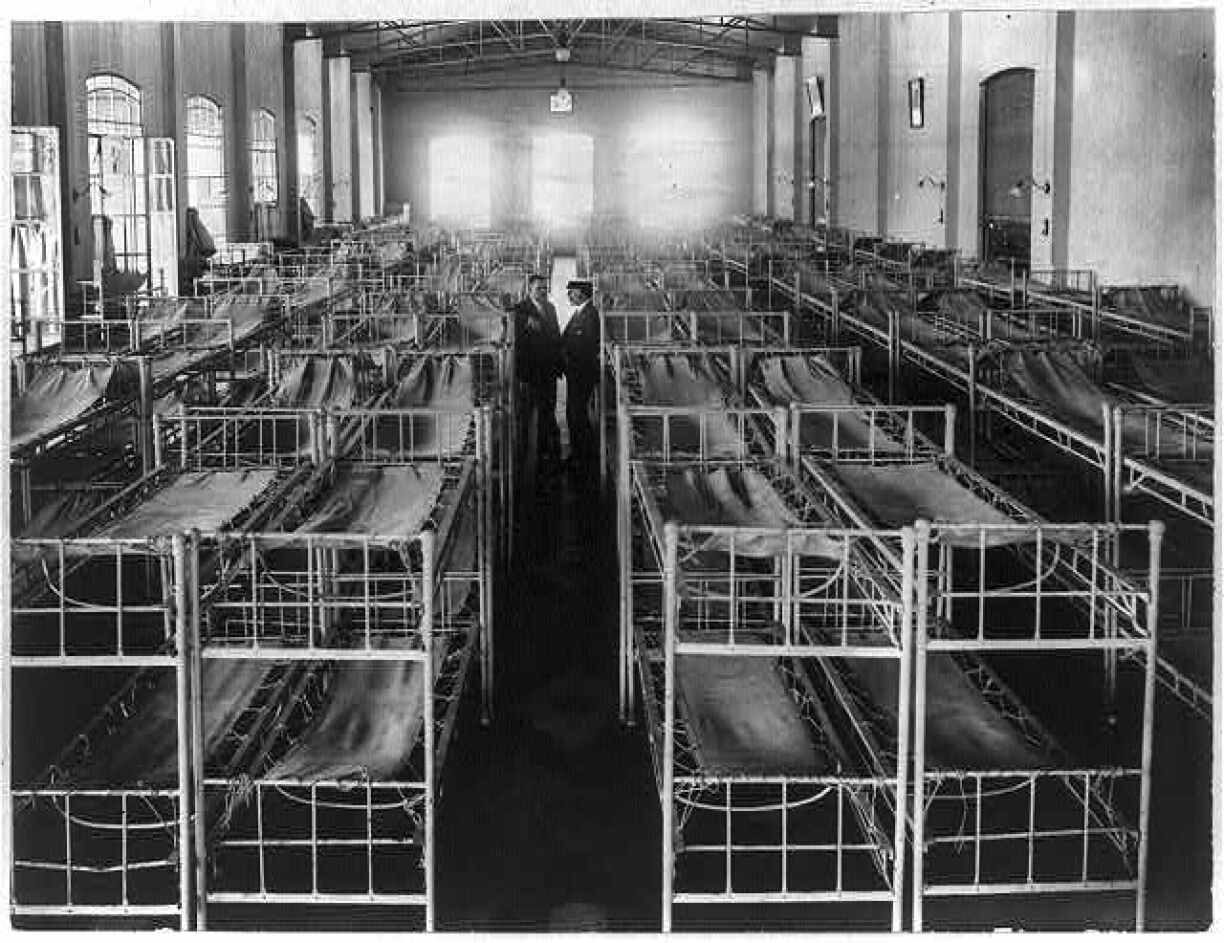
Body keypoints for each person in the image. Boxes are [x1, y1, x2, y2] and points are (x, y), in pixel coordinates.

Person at [511, 274, 562, 468]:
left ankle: (543, 452)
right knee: (526, 414)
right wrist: (521, 376)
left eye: (544, 288)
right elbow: (518, 345)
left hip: (549, 371)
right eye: (538, 288)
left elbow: (556, 336)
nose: (542, 291)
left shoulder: (550, 308)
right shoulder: (520, 311)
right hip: (530, 374)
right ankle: (524, 456)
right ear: (528, 290)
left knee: (547, 411)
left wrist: (559, 364)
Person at [561, 279, 600, 473]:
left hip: (582, 374)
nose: (569, 296)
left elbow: (587, 347)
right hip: (575, 373)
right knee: (574, 413)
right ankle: (578, 453)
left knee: (578, 414)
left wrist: (568, 358)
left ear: (583, 294)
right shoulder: (581, 313)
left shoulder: (590, 315)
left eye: (572, 292)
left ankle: (583, 457)